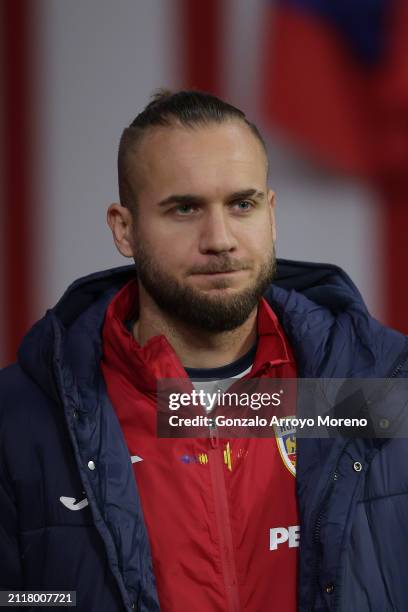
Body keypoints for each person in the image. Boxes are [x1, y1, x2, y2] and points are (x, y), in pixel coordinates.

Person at [0, 90, 407, 612]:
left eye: (242, 204)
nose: (220, 239)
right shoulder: (21, 418)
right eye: (185, 209)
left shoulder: (382, 393)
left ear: (272, 213)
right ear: (125, 229)